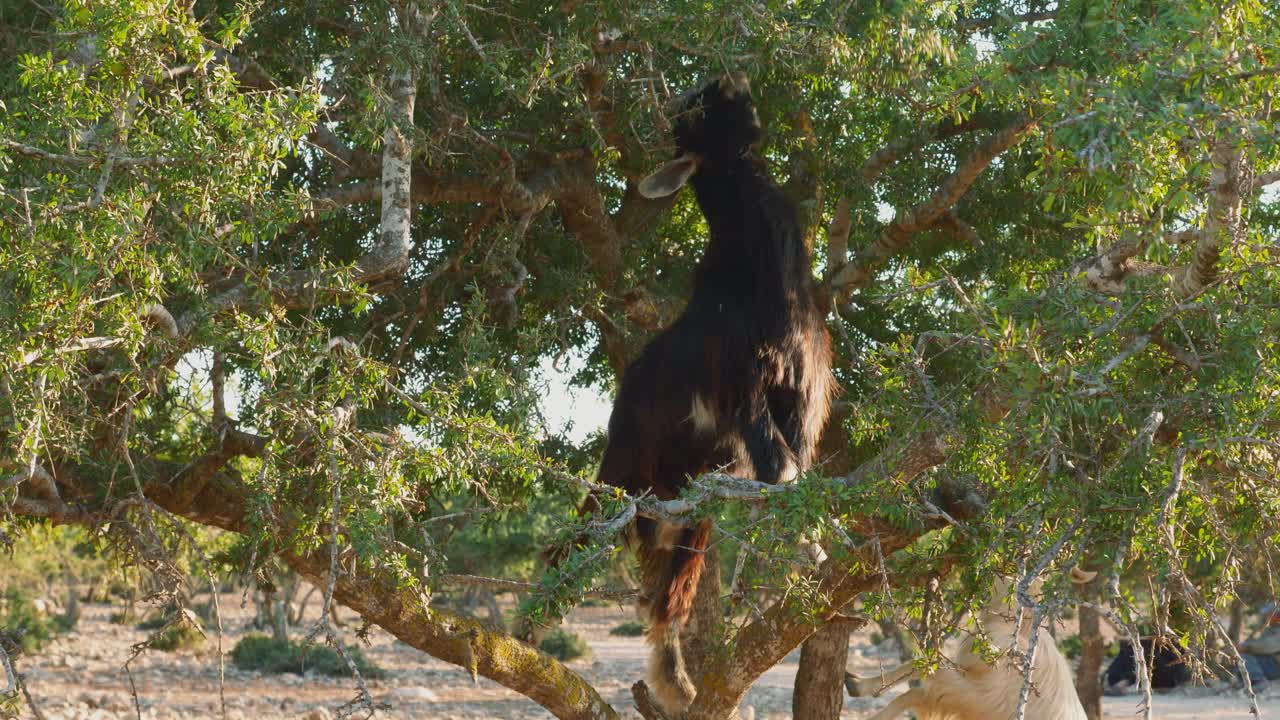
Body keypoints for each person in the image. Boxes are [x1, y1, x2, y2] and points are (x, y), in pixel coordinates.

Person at [1239, 603, 1280, 691]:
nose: (1266, 617)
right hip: (1272, 664)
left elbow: (1267, 646)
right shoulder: (1270, 629)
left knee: (1245, 658)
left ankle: (1259, 681)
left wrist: (1245, 647)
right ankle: (1248, 682)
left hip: (1276, 667)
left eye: (1269, 614)